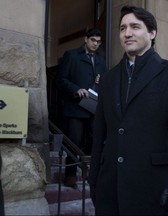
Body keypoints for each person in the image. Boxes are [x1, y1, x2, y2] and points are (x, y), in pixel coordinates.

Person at [88, 5, 168, 215]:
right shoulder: (108, 79)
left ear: (152, 33)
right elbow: (99, 135)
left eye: (135, 27)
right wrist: (93, 179)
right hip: (110, 189)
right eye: (122, 28)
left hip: (155, 189)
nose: (127, 33)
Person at [56, 27, 107, 188]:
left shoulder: (101, 61)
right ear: (85, 39)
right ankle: (70, 175)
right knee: (74, 141)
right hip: (76, 107)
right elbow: (60, 80)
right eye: (93, 40)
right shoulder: (71, 55)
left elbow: (106, 83)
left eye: (98, 42)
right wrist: (76, 90)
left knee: (93, 141)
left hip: (94, 108)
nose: (95, 44)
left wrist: (102, 81)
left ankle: (89, 173)